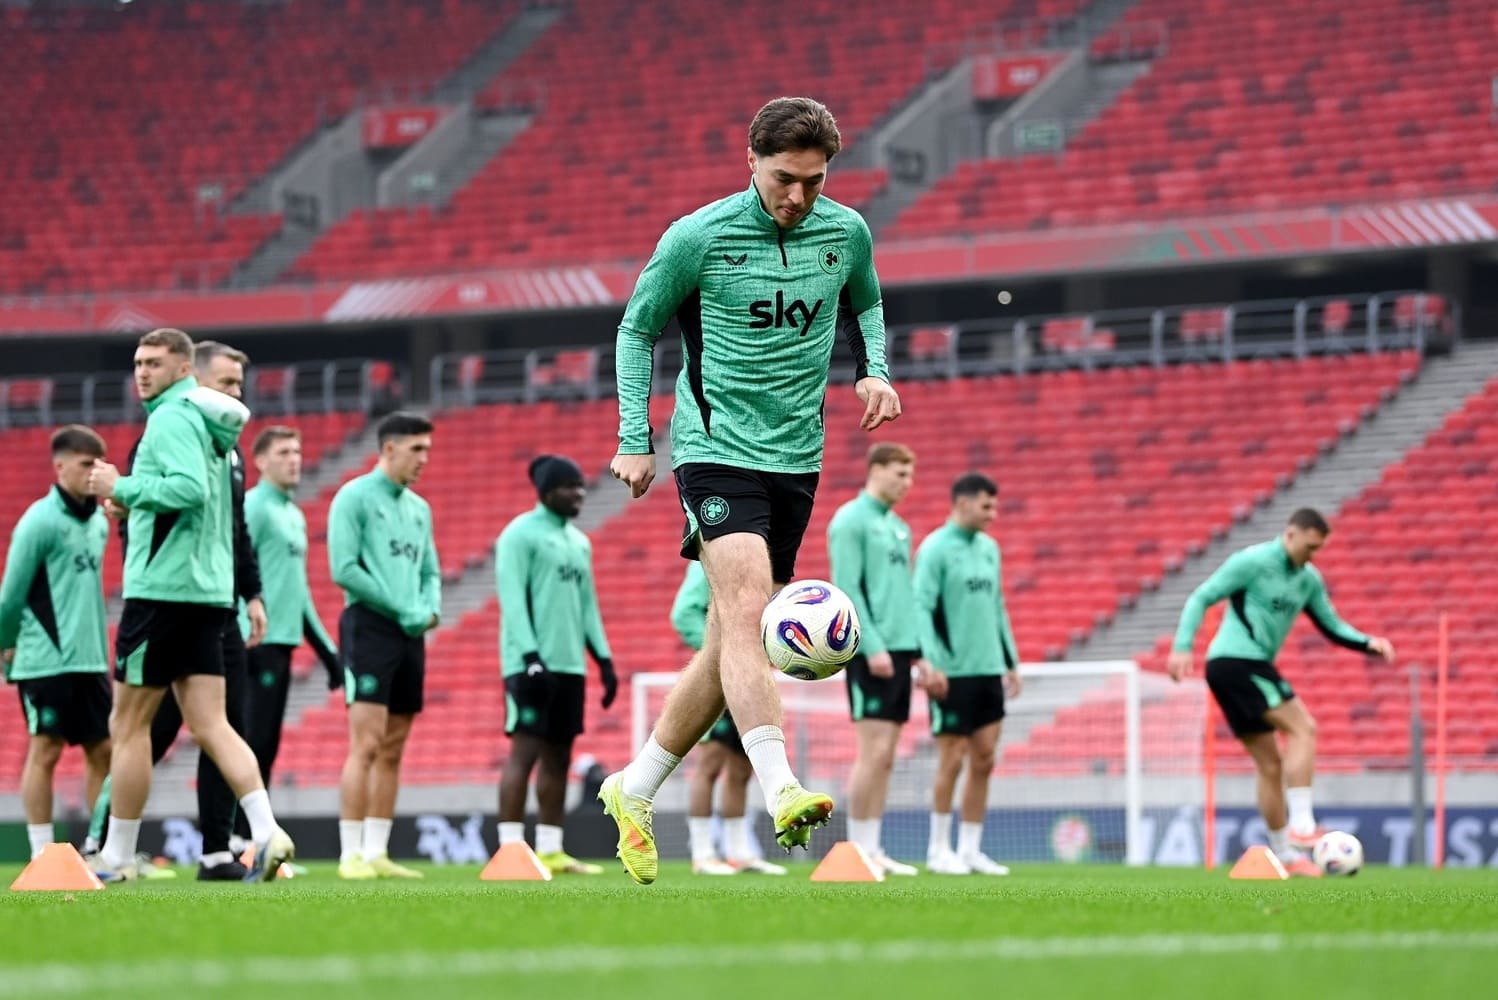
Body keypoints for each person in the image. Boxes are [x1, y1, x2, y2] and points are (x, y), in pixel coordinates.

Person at [600, 96, 901, 885]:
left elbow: (867, 301)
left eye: (814, 181)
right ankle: (782, 787)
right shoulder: (697, 238)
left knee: (726, 641)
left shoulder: (846, 233)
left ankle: (634, 788)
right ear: (752, 162)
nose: (797, 196)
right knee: (745, 610)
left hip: (796, 458)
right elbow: (636, 328)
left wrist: (874, 370)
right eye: (783, 179)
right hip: (714, 447)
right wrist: (635, 436)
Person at [85, 328, 293, 883]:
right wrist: (135, 502)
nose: (142, 372)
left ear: (185, 370)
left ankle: (116, 856)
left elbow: (186, 490)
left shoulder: (172, 418)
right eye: (138, 362)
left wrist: (121, 486)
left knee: (128, 725)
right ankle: (267, 830)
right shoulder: (213, 429)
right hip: (208, 595)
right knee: (213, 724)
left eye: (155, 362)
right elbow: (201, 504)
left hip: (162, 595)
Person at [1168, 508, 1395, 877]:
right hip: (1238, 661)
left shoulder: (1308, 580)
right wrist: (1182, 647)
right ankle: (1302, 825)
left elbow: (1331, 625)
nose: (1311, 555)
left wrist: (1366, 642)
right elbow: (1201, 597)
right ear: (1290, 534)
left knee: (1270, 765)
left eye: (1318, 549)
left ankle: (1285, 856)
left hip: (1237, 668)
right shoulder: (1253, 562)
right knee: (1303, 727)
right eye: (1308, 546)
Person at [329, 411, 440, 880]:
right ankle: (350, 853)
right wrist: (402, 607)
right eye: (417, 449)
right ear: (389, 448)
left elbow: (431, 570)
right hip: (369, 627)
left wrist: (430, 609)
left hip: (410, 633)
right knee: (367, 743)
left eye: (427, 449)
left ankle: (377, 851)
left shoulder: (419, 509)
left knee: (394, 748)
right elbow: (344, 568)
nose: (424, 458)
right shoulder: (353, 497)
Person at [494, 455, 618, 875]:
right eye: (569, 486)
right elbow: (512, 599)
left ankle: (550, 849)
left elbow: (588, 607)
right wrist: (530, 656)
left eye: (581, 486)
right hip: (528, 664)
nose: (579, 493)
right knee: (524, 753)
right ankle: (510, 851)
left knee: (560, 758)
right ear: (547, 492)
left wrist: (603, 659)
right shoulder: (519, 535)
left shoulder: (578, 542)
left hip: (569, 667)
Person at [0, 426, 112, 861]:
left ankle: (99, 848)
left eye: (98, 464)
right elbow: (10, 596)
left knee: (103, 751)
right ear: (60, 466)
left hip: (91, 660)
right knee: (45, 749)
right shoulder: (39, 521)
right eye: (85, 464)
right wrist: (7, 648)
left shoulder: (99, 522)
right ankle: (41, 853)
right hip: (45, 660)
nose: (93, 472)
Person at [913, 473, 1019, 876]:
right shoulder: (935, 549)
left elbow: (998, 606)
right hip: (951, 673)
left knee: (985, 758)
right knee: (952, 758)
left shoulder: (990, 549)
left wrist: (1011, 661)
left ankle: (971, 849)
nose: (993, 513)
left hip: (988, 669)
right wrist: (931, 661)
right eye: (986, 506)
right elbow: (921, 606)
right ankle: (939, 849)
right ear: (962, 503)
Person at [827, 442, 925, 876]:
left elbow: (906, 594)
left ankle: (873, 847)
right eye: (900, 474)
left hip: (901, 649)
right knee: (872, 751)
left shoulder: (898, 527)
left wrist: (919, 652)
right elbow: (848, 587)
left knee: (887, 755)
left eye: (910, 475)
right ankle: (855, 849)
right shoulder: (851, 520)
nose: (907, 483)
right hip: (873, 651)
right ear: (876, 470)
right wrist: (872, 646)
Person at [241, 426, 340, 794]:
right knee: (249, 743)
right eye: (283, 453)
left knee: (265, 745)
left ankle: (252, 826)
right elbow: (235, 566)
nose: (294, 460)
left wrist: (327, 652)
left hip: (281, 642)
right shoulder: (253, 506)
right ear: (260, 462)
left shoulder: (294, 516)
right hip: (252, 643)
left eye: (296, 452)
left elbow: (299, 593)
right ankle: (234, 827)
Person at [672, 562, 786, 876]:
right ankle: (702, 853)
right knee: (710, 764)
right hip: (720, 679)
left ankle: (739, 852)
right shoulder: (709, 563)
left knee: (742, 767)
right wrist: (722, 653)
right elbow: (683, 613)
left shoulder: (760, 562)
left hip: (750, 681)